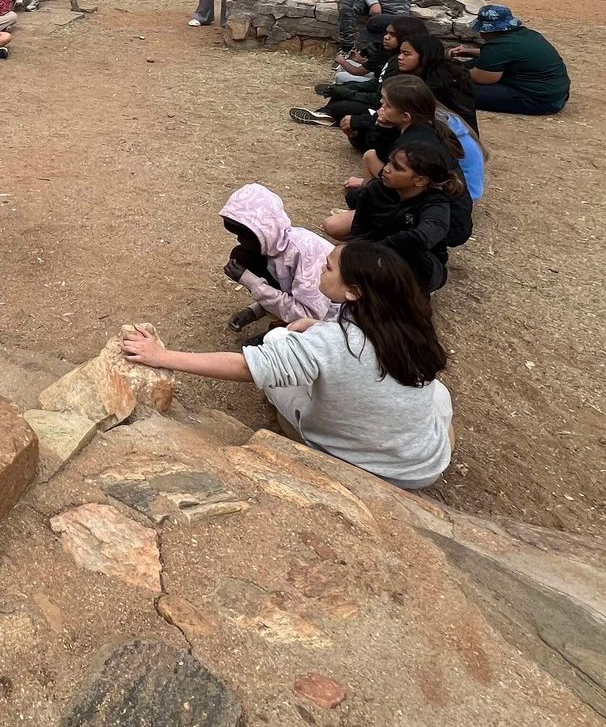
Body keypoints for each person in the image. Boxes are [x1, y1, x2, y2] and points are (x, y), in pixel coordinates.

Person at [121, 240, 452, 489]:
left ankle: (300, 433)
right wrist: (318, 328)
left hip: (360, 463)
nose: (322, 267)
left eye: (329, 268)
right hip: (425, 465)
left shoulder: (334, 343)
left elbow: (245, 368)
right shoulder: (411, 324)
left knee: (277, 343)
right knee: (438, 394)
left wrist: (160, 356)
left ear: (352, 291)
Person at [324, 142, 470, 292]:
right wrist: (357, 257)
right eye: (389, 162)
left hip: (418, 262)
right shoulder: (374, 190)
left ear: (420, 180)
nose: (386, 169)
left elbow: (422, 238)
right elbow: (360, 232)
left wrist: (379, 250)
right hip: (376, 251)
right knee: (338, 260)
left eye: (397, 168)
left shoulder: (435, 204)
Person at [219, 184, 339, 332]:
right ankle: (282, 323)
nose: (239, 239)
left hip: (338, 316)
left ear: (264, 230)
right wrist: (254, 311)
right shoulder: (276, 246)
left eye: (244, 235)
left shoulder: (303, 253)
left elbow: (311, 316)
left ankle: (286, 330)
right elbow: (287, 288)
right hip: (317, 311)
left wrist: (252, 283)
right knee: (242, 256)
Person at [344, 75, 482, 197]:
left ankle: (369, 199)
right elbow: (384, 155)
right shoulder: (426, 120)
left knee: (335, 224)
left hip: (454, 193)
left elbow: (405, 172)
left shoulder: (418, 139)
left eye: (387, 103)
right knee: (371, 156)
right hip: (452, 189)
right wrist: (383, 127)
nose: (381, 105)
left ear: (406, 115)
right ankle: (368, 195)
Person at [451, 4, 570, 116]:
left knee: (455, 89)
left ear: (487, 31)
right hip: (556, 94)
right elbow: (502, 56)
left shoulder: (499, 46)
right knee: (471, 66)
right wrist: (470, 52)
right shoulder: (527, 35)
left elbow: (484, 78)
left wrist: (452, 73)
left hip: (539, 101)